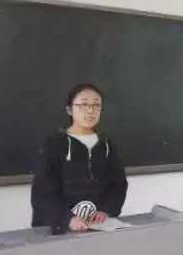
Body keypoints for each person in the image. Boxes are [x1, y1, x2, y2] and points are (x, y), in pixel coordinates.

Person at [31, 83, 128, 234]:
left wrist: (106, 211)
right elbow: (43, 192)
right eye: (83, 105)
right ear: (69, 109)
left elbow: (118, 185)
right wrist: (67, 219)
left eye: (96, 105)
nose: (90, 110)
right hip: (59, 229)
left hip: (96, 228)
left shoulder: (107, 144)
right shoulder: (54, 144)